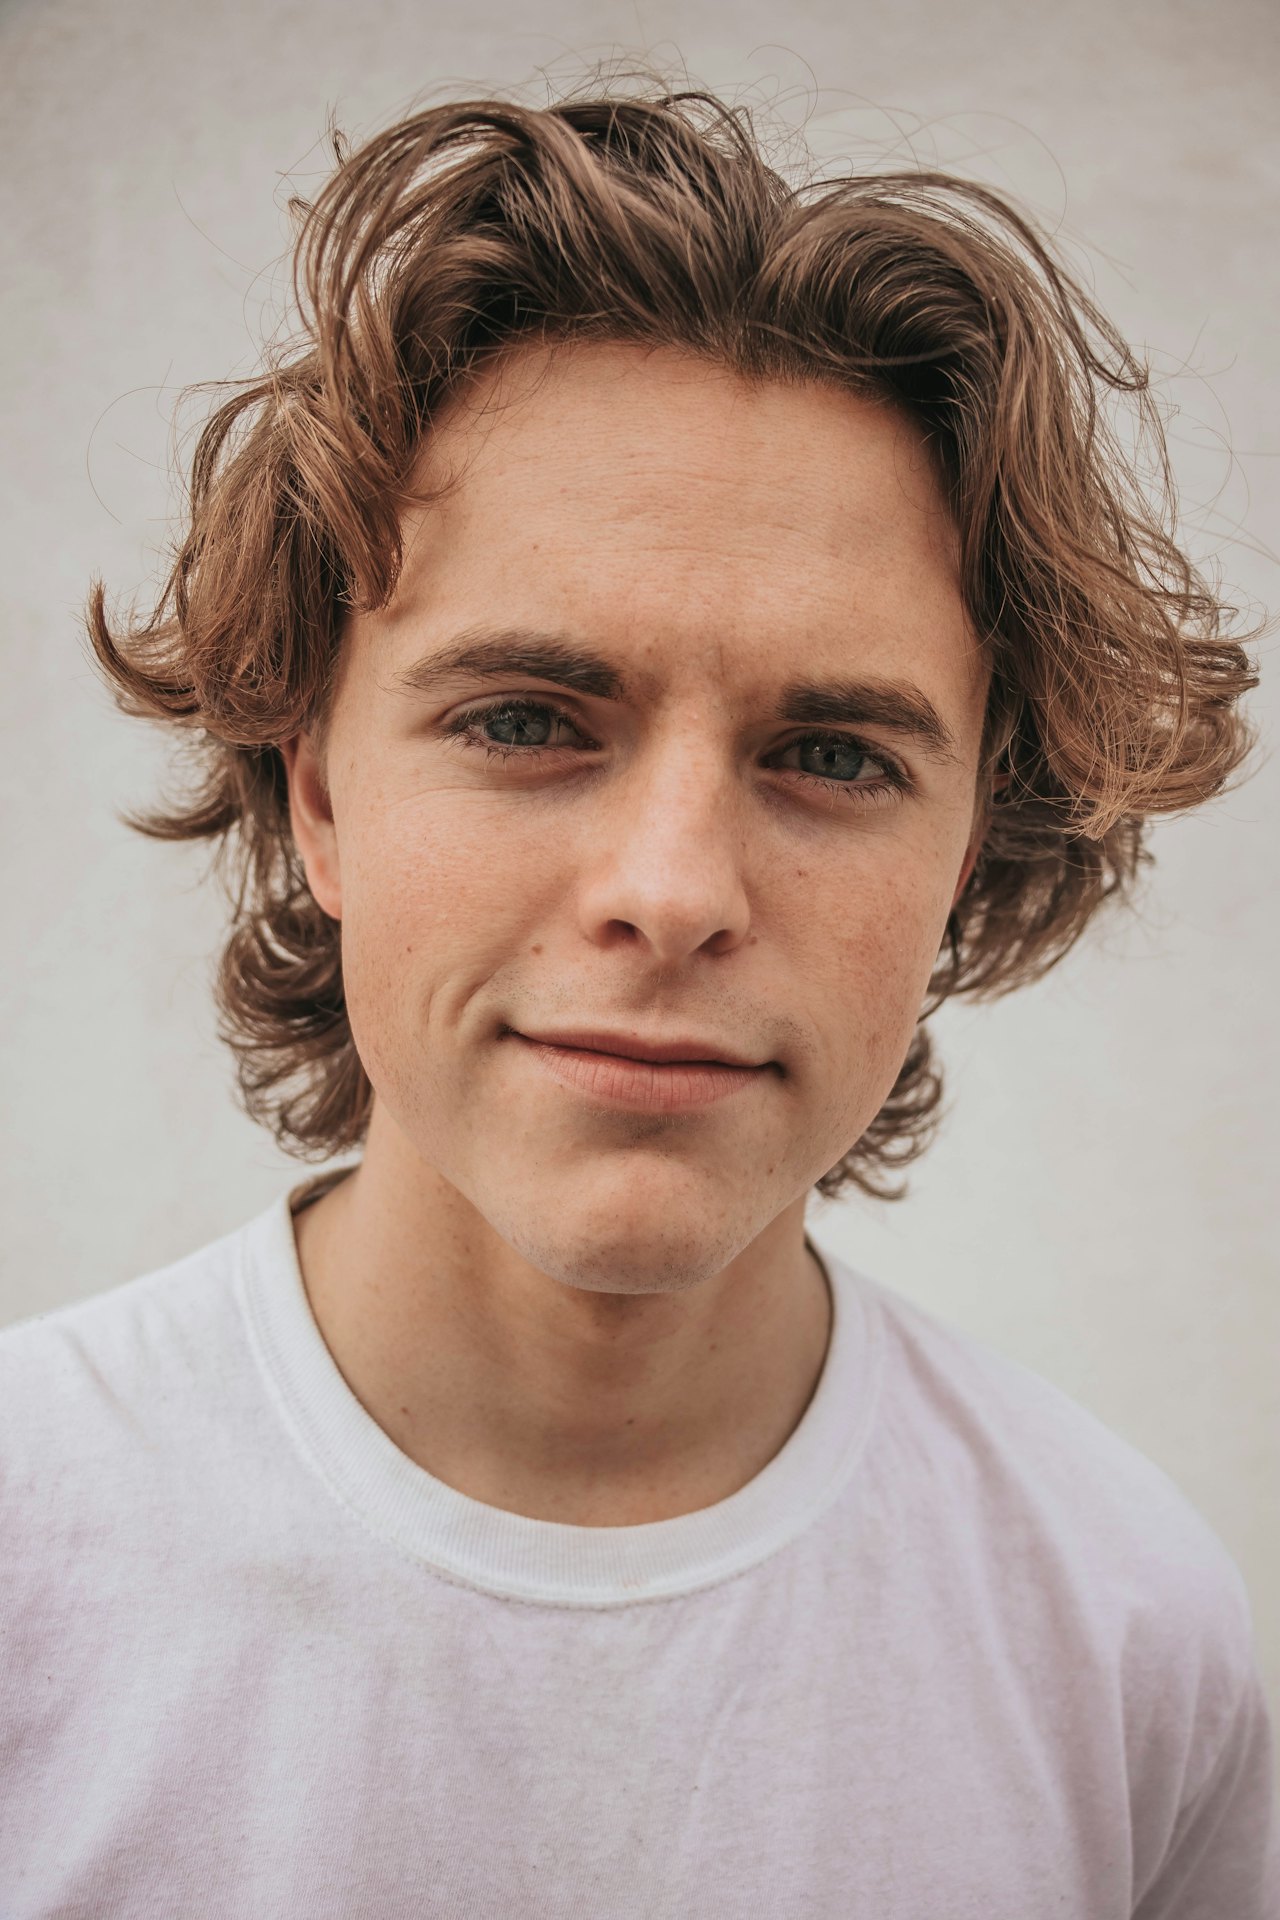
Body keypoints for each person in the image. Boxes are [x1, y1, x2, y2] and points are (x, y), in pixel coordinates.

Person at [1, 75, 1275, 1918]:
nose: (673, 893)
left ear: (970, 851)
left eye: (832, 755)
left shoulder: (1130, 1638)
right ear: (322, 793)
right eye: (528, 721)